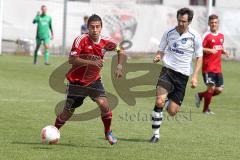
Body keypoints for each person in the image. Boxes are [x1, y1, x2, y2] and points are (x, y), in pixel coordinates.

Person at [54, 14, 124, 145]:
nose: (95, 30)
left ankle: (108, 132)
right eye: (92, 27)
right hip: (76, 82)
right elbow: (72, 59)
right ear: (88, 27)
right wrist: (92, 63)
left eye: (98, 27)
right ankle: (54, 132)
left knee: (104, 105)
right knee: (67, 113)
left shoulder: (107, 41)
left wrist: (119, 66)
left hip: (94, 81)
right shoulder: (81, 39)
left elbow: (121, 50)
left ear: (101, 28)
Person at [150, 7, 203, 143]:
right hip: (167, 71)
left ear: (189, 21)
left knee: (173, 111)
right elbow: (161, 50)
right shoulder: (168, 32)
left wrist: (195, 76)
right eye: (179, 20)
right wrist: (158, 56)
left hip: (182, 76)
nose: (180, 23)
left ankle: (167, 101)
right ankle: (155, 134)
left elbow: (199, 57)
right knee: (159, 101)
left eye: (183, 21)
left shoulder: (195, 36)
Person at [195, 14, 230, 114]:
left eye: (215, 22)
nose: (214, 24)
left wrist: (225, 52)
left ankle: (200, 95)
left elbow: (220, 47)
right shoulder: (206, 35)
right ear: (209, 24)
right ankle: (206, 110)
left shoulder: (221, 36)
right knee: (211, 88)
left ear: (218, 23)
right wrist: (209, 50)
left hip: (218, 68)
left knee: (219, 90)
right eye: (212, 23)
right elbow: (199, 48)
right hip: (207, 67)